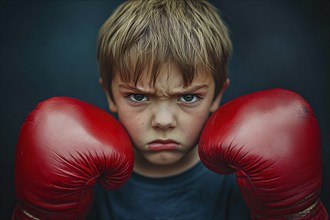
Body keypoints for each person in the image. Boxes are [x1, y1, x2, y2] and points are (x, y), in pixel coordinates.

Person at [12, 0, 327, 219]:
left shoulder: (248, 183)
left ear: (218, 95)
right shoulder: (80, 185)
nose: (163, 121)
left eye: (188, 98)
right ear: (109, 95)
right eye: (138, 97)